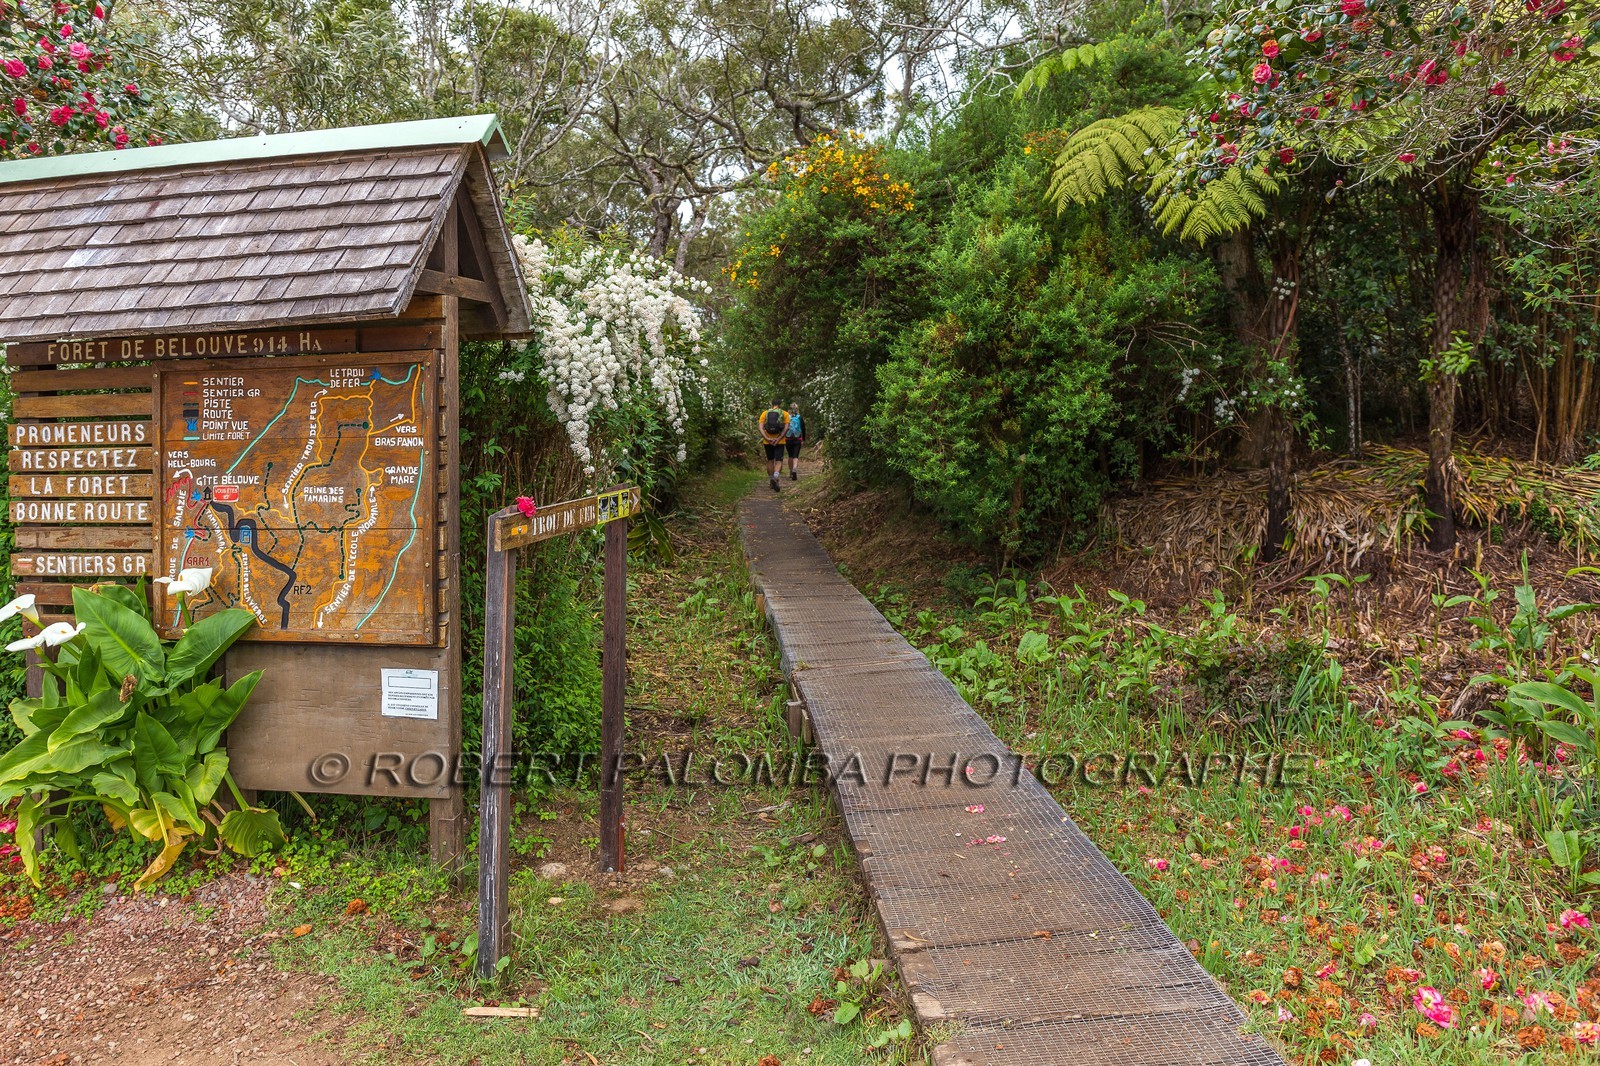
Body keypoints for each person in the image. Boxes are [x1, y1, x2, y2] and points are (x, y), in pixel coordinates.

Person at [757, 401, 790, 491]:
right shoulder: (785, 414)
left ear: (771, 404)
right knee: (779, 460)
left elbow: (760, 427)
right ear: (780, 405)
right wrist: (778, 439)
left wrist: (767, 438)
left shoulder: (765, 413)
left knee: (770, 460)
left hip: (767, 442)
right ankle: (776, 476)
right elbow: (786, 428)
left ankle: (771, 479)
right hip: (780, 442)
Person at [783, 404, 804, 480]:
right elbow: (803, 429)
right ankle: (795, 468)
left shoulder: (787, 417)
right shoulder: (800, 417)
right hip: (797, 438)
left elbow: (783, 428)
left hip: (788, 438)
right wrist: (803, 439)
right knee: (796, 456)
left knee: (790, 456)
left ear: (789, 409)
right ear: (797, 409)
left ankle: (791, 471)